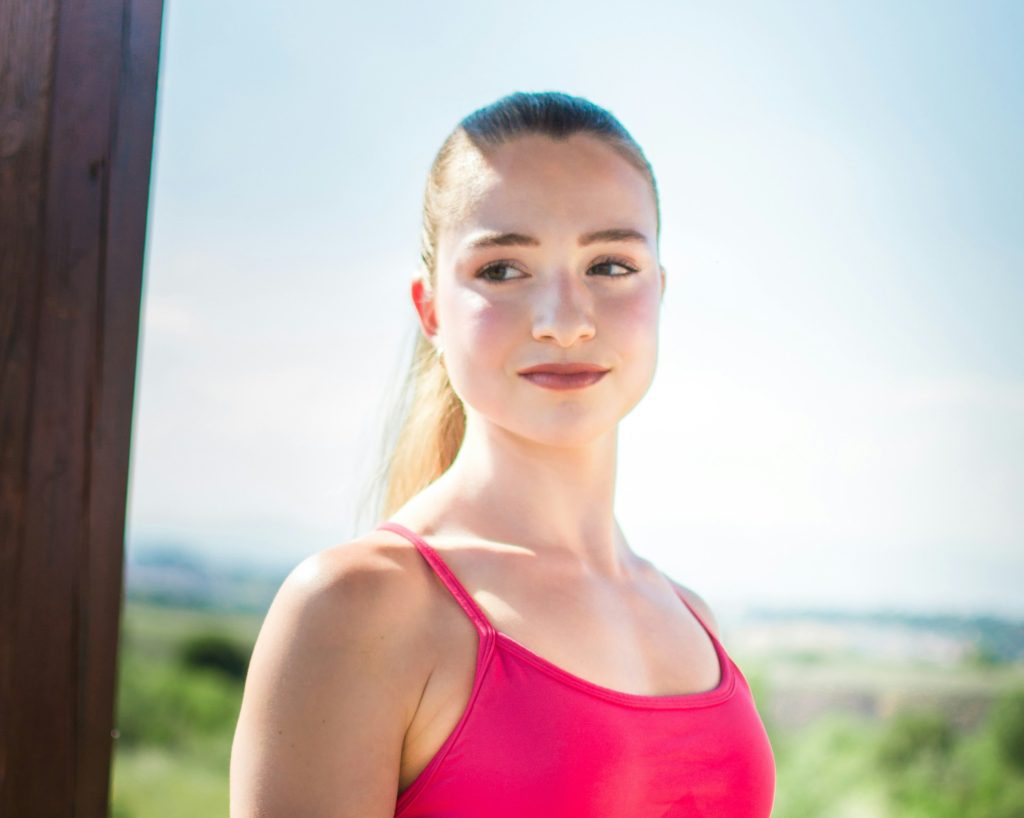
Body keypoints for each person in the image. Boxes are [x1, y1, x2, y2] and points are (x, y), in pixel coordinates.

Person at [229, 90, 776, 818]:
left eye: (611, 266)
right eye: (503, 270)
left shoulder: (693, 618)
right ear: (430, 310)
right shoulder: (355, 609)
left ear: (660, 291)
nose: (565, 322)